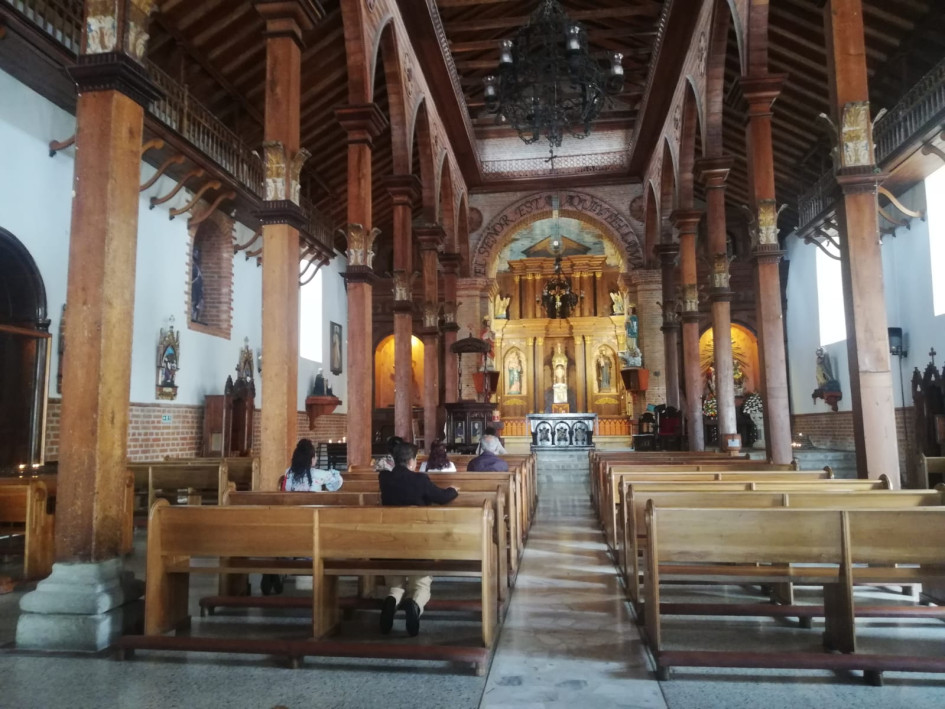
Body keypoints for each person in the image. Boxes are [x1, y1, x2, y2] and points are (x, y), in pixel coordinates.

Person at [378, 441, 459, 636]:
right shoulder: (420, 480)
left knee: (395, 583)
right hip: (418, 544)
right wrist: (453, 490)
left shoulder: (384, 479)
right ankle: (414, 605)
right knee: (421, 584)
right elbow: (441, 497)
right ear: (412, 462)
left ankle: (391, 600)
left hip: (391, 542)